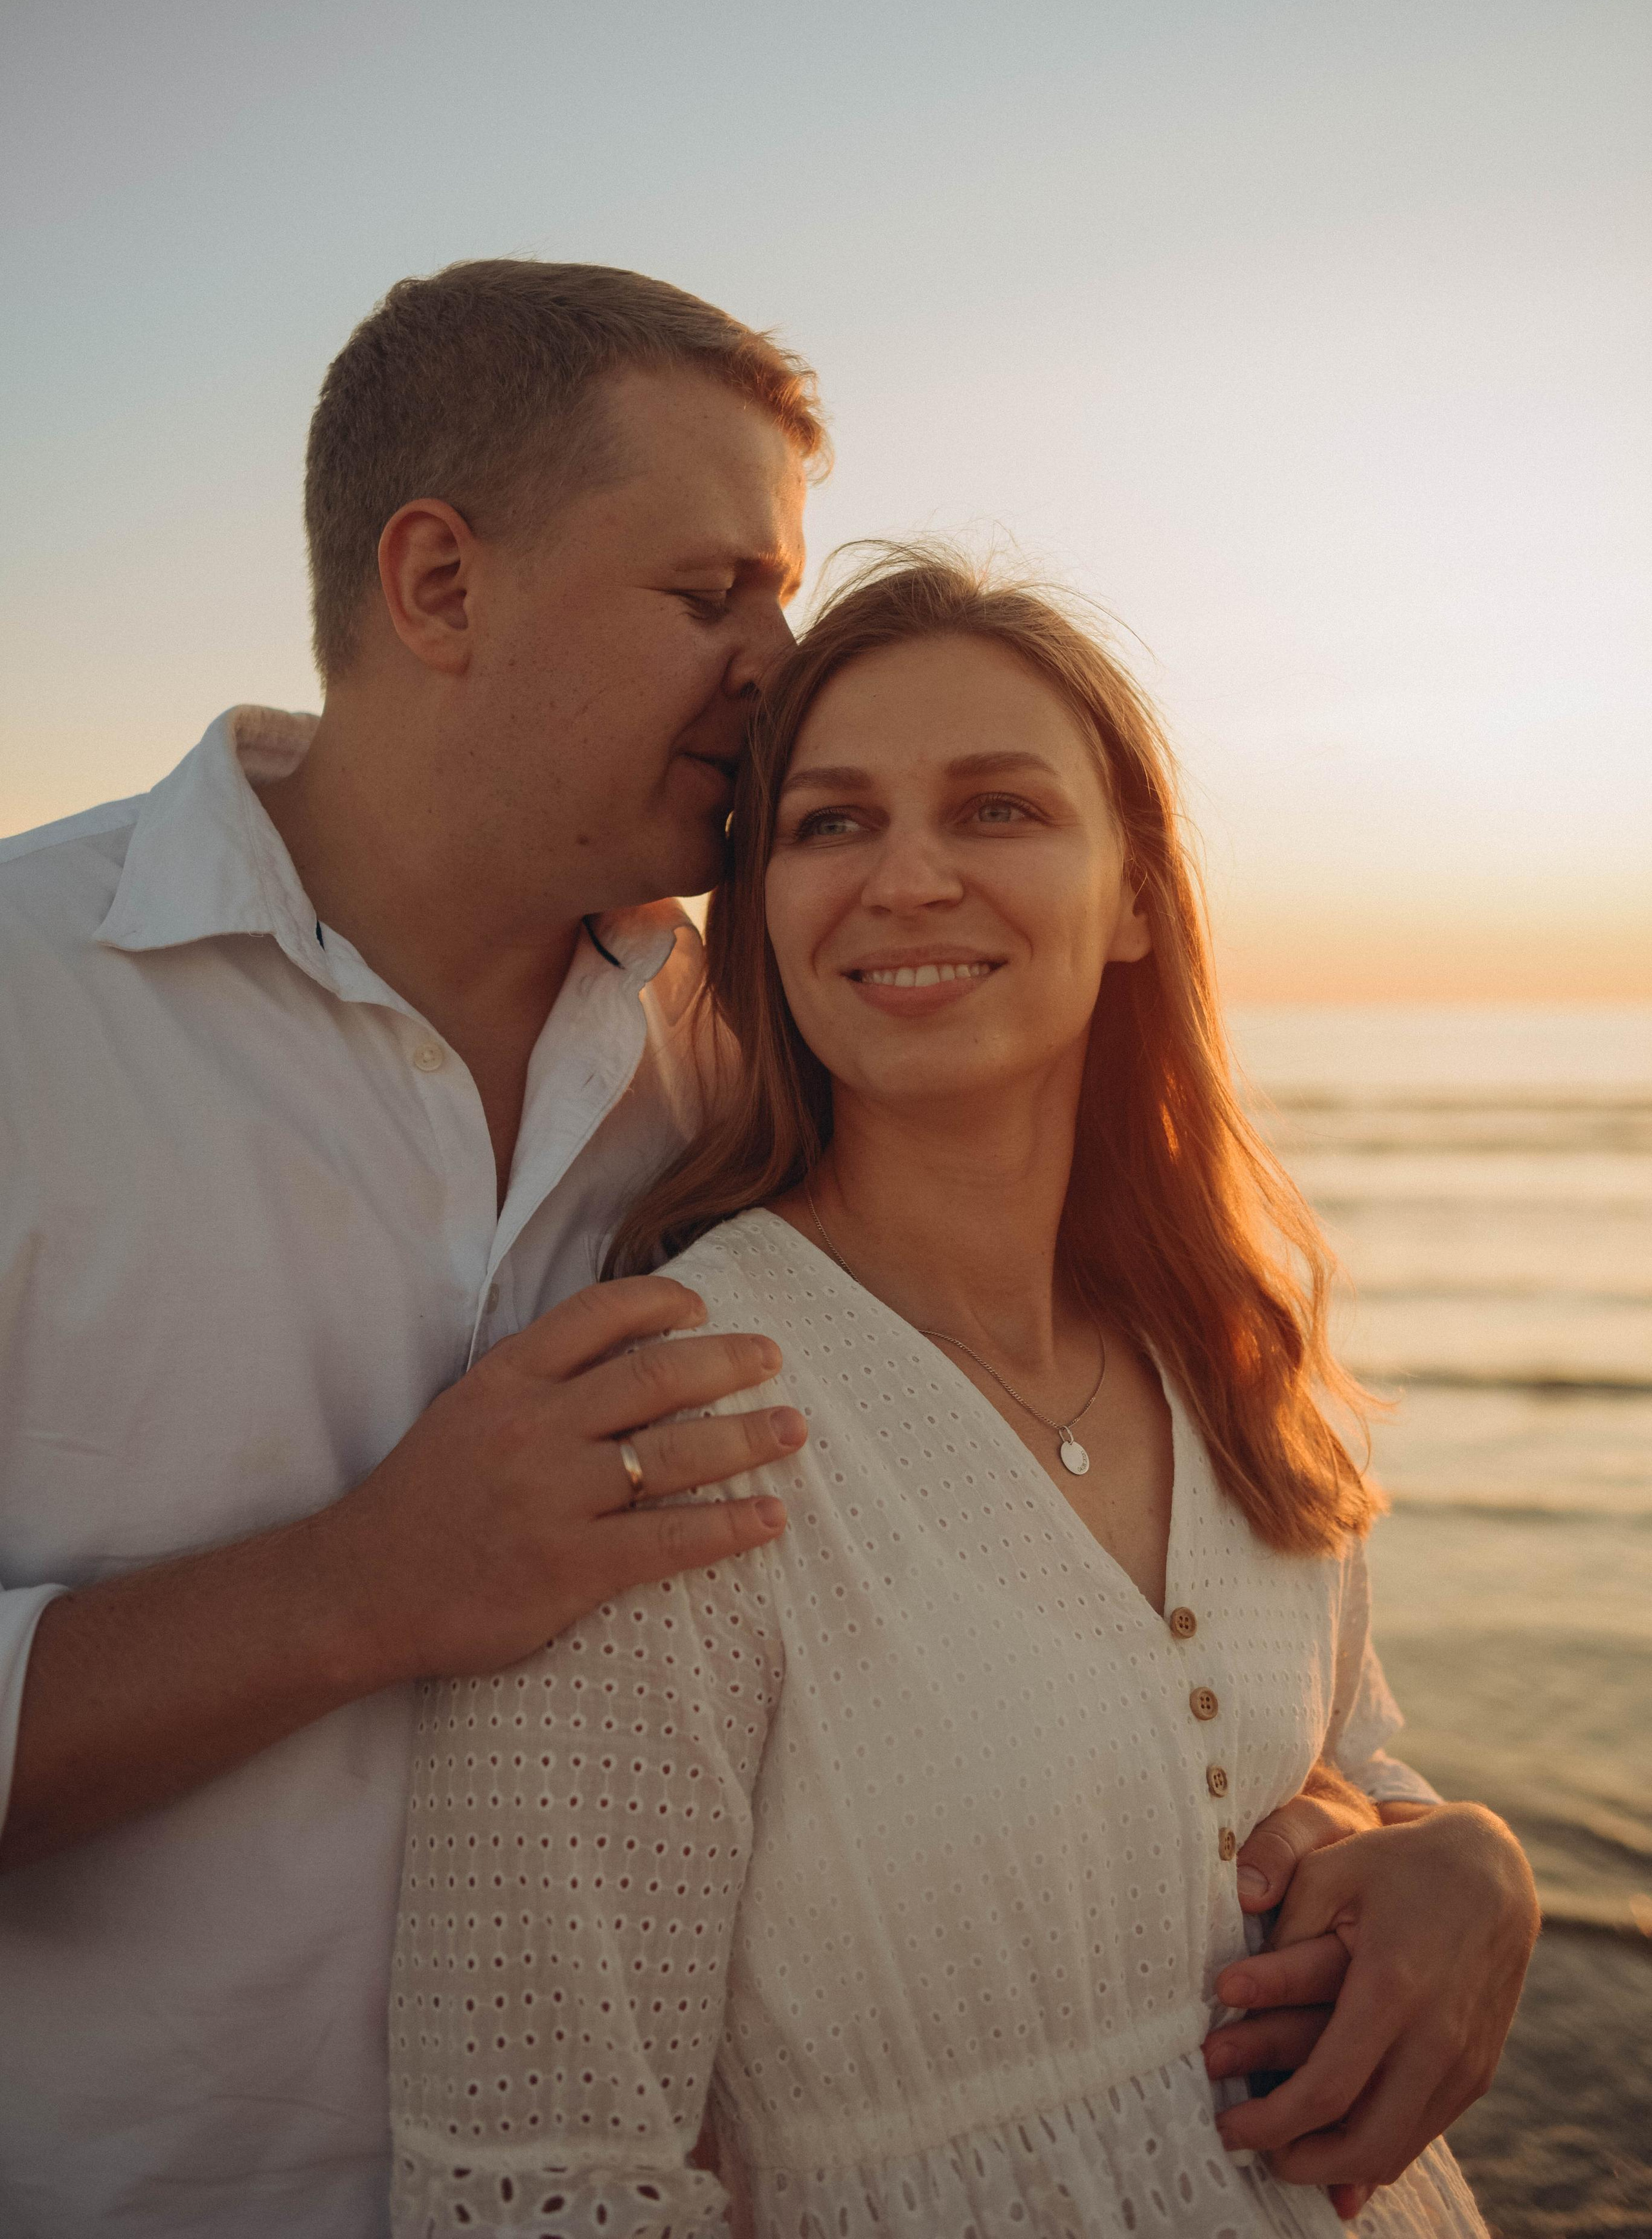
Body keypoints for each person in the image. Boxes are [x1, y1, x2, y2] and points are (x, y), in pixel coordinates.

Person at [0, 265, 1530, 2239]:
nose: (773, 656)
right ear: (441, 584)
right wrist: (359, 1587)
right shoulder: (33, 1008)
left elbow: (1198, 1720)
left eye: (784, 592)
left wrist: (1452, 1850)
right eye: (711, 589)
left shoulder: (746, 1046)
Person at [388, 549, 1538, 2238]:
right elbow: (529, 2184)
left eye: (998, 809)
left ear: (1136, 894)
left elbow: (1337, 1769)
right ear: (765, 915)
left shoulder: (1227, 1344)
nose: (908, 876)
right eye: (831, 823)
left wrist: (1468, 1859)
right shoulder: (674, 1419)